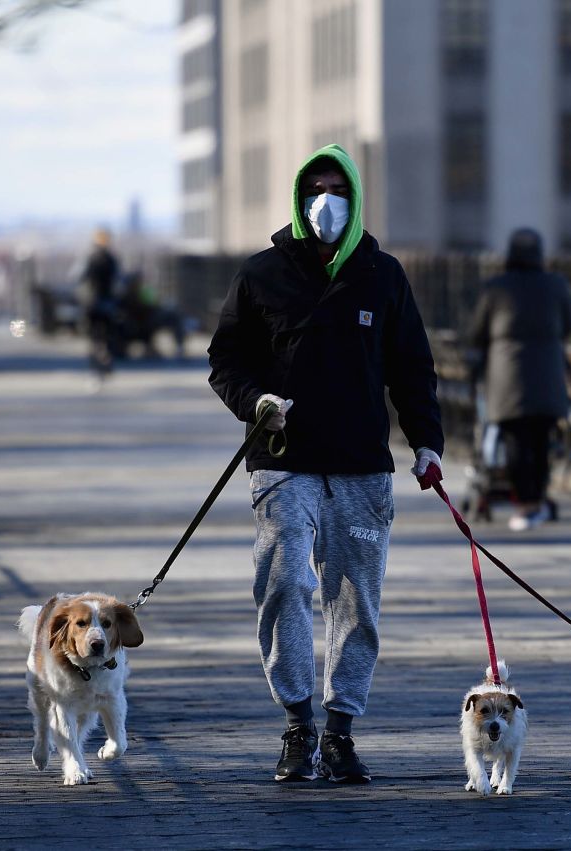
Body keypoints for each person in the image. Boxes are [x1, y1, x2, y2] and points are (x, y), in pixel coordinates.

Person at [208, 144, 444, 784]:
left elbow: (412, 368)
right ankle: (297, 725)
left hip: (364, 466)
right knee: (284, 584)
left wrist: (427, 444)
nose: (325, 200)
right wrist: (255, 402)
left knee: (355, 599)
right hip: (284, 461)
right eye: (314, 187)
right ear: (297, 196)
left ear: (356, 197)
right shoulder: (262, 275)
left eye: (337, 188)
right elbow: (225, 360)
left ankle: (340, 731)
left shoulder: (383, 274)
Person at [468, 227, 571, 532]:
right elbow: (570, 324)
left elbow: (477, 332)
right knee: (541, 440)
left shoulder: (496, 287)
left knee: (515, 440)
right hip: (547, 374)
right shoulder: (557, 285)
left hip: (507, 375)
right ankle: (538, 500)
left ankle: (525, 504)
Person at [76, 228, 121, 385]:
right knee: (106, 336)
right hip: (107, 304)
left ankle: (96, 367)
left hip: (93, 304)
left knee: (94, 337)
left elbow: (78, 276)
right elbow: (118, 281)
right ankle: (105, 363)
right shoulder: (111, 259)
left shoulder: (89, 258)